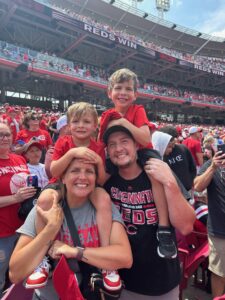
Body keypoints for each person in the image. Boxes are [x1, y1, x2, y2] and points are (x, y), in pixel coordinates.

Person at [26, 102, 121, 291]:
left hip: (89, 184)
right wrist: (72, 154)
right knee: (44, 199)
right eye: (76, 121)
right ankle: (43, 259)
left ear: (95, 126)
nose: (81, 125)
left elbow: (101, 179)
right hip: (61, 183)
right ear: (68, 125)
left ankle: (106, 261)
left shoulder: (98, 146)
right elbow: (54, 170)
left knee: (103, 198)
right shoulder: (64, 142)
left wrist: (98, 164)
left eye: (86, 121)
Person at [9, 157, 132, 300]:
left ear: (95, 179)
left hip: (88, 292)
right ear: (63, 178)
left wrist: (74, 251)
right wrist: (50, 229)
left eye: (89, 172)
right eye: (75, 171)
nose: (82, 177)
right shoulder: (45, 208)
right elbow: (15, 273)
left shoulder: (104, 208)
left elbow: (125, 258)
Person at [103, 125, 196, 299]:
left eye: (124, 141)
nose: (119, 148)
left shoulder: (158, 171)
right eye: (112, 144)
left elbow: (186, 226)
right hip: (118, 282)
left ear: (137, 145)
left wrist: (170, 184)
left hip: (161, 284)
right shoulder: (108, 179)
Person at [98, 68, 176, 259]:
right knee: (97, 182)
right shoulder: (107, 115)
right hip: (117, 154)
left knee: (155, 173)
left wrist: (123, 123)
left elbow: (143, 137)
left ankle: (164, 228)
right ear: (110, 93)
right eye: (118, 88)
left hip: (143, 152)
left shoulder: (137, 110)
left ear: (135, 95)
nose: (123, 92)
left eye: (128, 89)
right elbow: (101, 142)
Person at [0, 123, 36, 298]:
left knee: (18, 276)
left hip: (23, 230)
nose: (4, 138)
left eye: (7, 134)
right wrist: (16, 198)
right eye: (0, 135)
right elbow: (17, 196)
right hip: (2, 233)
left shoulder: (19, 159)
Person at [194, 150, 225, 298]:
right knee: (220, 273)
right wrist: (213, 167)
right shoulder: (212, 163)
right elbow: (198, 186)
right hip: (220, 230)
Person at [159, 126, 197, 193]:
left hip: (187, 190)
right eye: (170, 139)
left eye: (173, 138)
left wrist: (190, 183)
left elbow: (192, 167)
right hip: (170, 192)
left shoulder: (183, 149)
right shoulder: (160, 155)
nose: (173, 140)